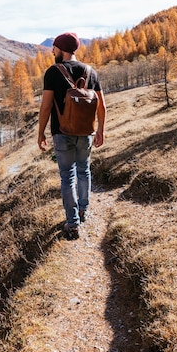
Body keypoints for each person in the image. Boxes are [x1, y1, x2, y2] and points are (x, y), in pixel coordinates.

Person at [37, 32, 106, 239]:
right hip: (86, 132)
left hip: (62, 133)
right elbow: (101, 105)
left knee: (67, 176)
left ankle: (73, 222)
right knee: (84, 170)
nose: (52, 51)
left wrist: (41, 133)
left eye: (54, 48)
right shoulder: (91, 72)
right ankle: (83, 209)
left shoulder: (52, 72)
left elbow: (46, 106)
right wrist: (100, 130)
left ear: (61, 49)